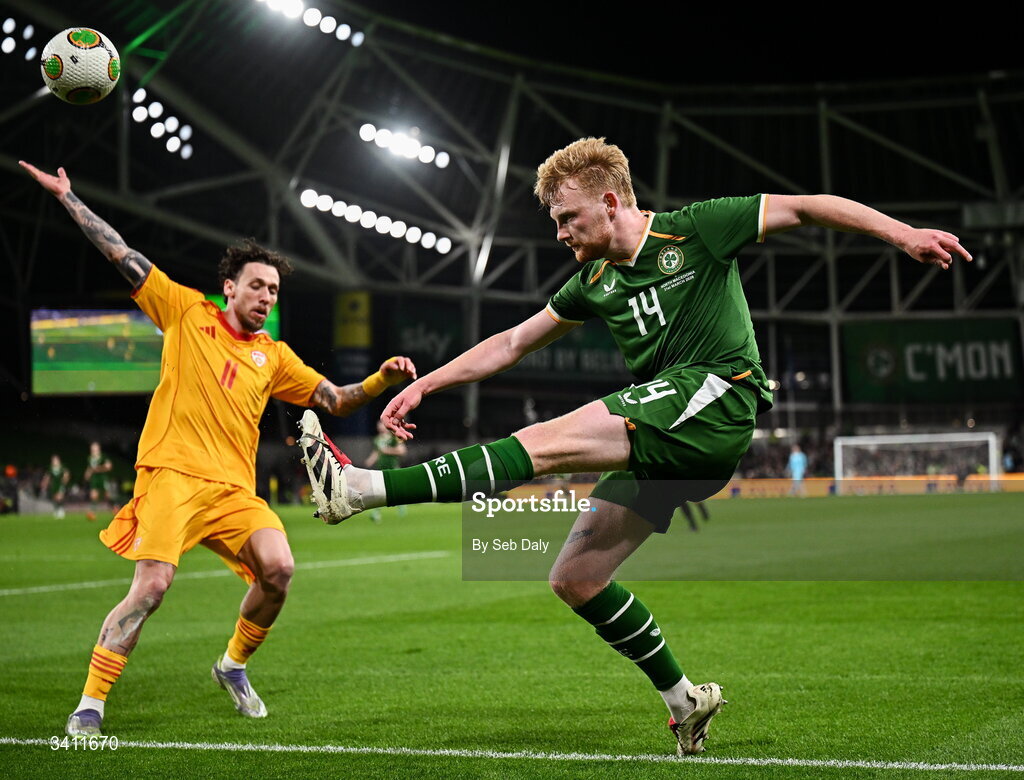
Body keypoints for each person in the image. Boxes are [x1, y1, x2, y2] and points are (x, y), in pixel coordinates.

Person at [296, 137, 971, 755]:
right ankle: (686, 701)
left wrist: (902, 233)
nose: (560, 234)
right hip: (668, 440)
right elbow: (510, 343)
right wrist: (427, 386)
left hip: (718, 399)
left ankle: (360, 490)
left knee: (544, 442)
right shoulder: (593, 282)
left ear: (611, 201)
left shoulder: (697, 228)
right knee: (575, 578)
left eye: (568, 218)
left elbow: (807, 207)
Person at [19, 160, 416, 738]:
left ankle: (232, 666)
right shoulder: (185, 311)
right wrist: (68, 199)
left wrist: (382, 379)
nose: (265, 296)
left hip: (233, 490)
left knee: (279, 569)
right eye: (256, 285)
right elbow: (119, 253)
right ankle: (90, 704)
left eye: (274, 290)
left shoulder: (274, 355)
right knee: (151, 587)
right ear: (229, 287)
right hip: (172, 477)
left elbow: (336, 400)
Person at [364, 420, 407, 523]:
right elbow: (377, 452)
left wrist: (387, 451)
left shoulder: (393, 438)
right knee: (379, 491)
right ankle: (376, 513)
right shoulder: (377, 439)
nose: (380, 427)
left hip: (393, 468)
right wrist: (370, 460)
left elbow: (402, 451)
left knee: (397, 490)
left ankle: (402, 509)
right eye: (378, 425)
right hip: (382, 469)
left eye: (382, 425)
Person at [83, 441, 114, 520]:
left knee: (107, 495)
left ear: (98, 449)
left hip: (102, 478)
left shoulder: (103, 457)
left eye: (95, 449)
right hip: (94, 479)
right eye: (92, 449)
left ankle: (115, 508)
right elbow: (90, 468)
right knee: (93, 495)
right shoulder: (90, 458)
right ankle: (92, 513)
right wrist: (87, 474)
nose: (94, 450)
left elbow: (109, 466)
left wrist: (98, 469)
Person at [40, 453, 70, 519]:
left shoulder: (62, 468)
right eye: (53, 461)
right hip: (54, 485)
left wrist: (65, 479)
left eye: (56, 460)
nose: (54, 462)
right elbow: (47, 477)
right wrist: (44, 483)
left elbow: (66, 474)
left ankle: (61, 510)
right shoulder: (51, 469)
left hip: (61, 485)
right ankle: (56, 510)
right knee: (54, 498)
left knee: (59, 497)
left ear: (59, 461)